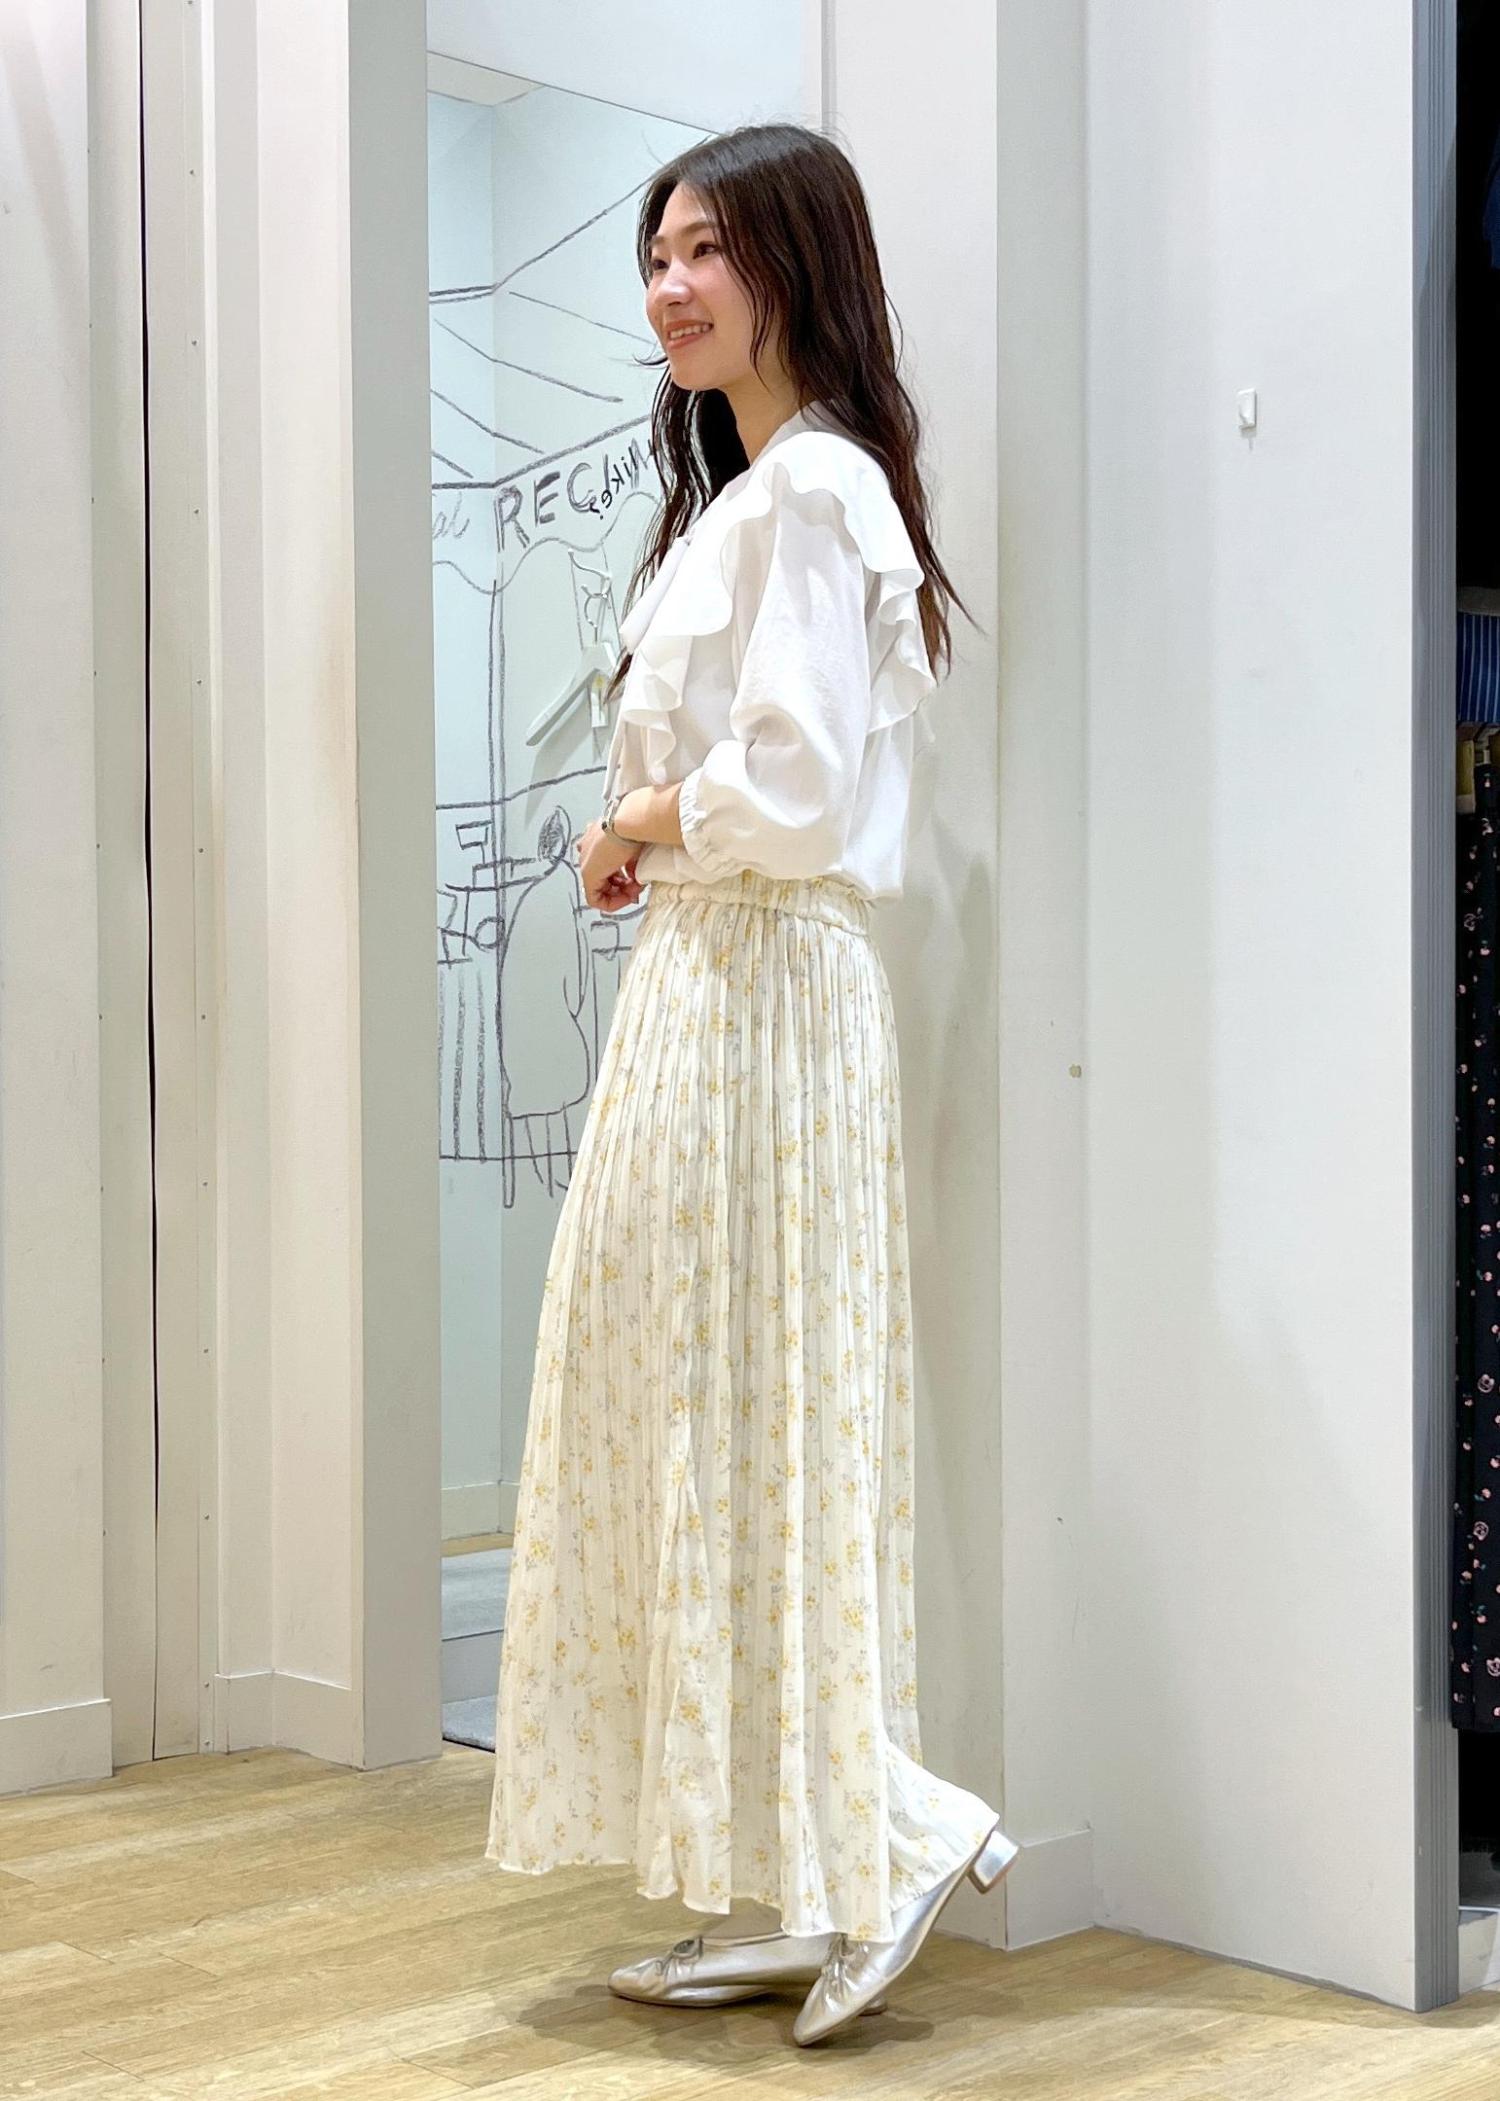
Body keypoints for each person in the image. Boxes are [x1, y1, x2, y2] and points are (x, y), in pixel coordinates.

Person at [485, 120, 1018, 2049]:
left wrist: (638, 819)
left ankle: (895, 1831)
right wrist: (659, 833)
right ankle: (803, 1866)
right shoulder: (755, 498)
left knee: (756, 1415)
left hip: (761, 990)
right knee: (712, 1421)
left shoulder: (813, 490)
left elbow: (789, 792)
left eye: (705, 249)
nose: (668, 288)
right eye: (656, 257)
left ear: (797, 261)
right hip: (719, 993)